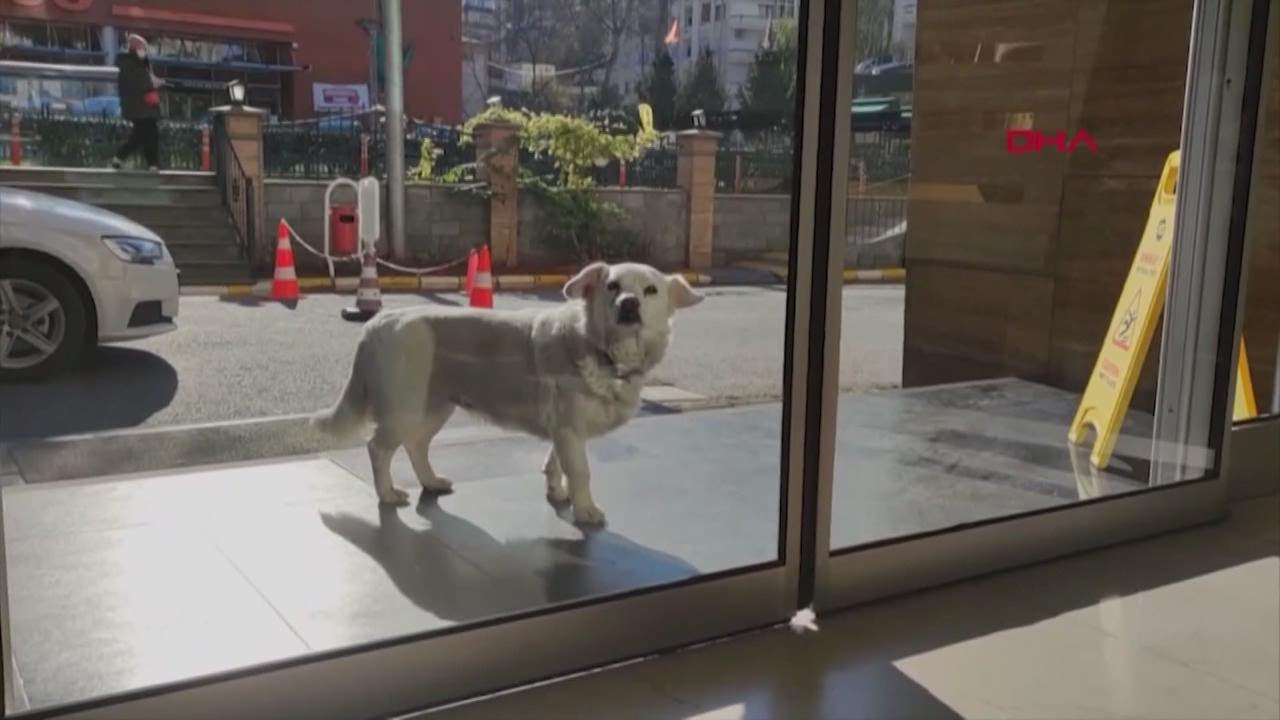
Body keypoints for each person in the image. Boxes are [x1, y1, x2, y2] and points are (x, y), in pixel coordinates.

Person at [112, 34, 161, 171]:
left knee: (142, 135)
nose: (144, 51)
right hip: (141, 107)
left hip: (140, 107)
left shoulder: (132, 64)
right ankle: (151, 163)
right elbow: (141, 84)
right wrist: (153, 84)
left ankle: (151, 163)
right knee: (147, 134)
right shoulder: (132, 65)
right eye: (142, 48)